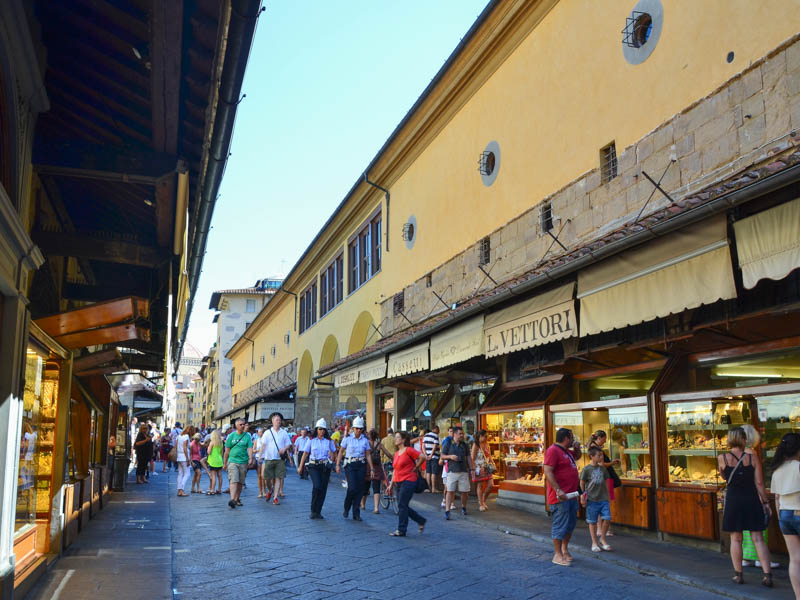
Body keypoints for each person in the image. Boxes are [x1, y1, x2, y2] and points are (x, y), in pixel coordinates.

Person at [718, 426, 772, 586]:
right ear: (744, 439)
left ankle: (738, 575)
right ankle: (767, 575)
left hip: (734, 500)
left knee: (736, 539)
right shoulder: (752, 457)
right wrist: (766, 502)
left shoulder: (722, 458)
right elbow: (760, 483)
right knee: (758, 538)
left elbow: (723, 476)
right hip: (751, 499)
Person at [543, 427, 582, 567]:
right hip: (560, 497)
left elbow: (577, 456)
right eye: (571, 437)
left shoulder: (566, 451)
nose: (573, 440)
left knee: (570, 524)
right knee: (560, 524)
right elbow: (547, 471)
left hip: (571, 495)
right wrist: (558, 490)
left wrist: (577, 448)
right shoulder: (553, 450)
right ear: (566, 438)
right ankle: (557, 554)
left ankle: (564, 549)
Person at [771, 432, 800, 598]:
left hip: (785, 515)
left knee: (795, 560)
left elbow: (777, 498)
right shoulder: (798, 466)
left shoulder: (777, 470)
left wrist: (780, 517)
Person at [386, 431, 427, 537]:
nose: (395, 439)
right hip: (399, 482)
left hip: (409, 480)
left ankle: (401, 529)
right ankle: (420, 520)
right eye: (395, 437)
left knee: (402, 505)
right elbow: (395, 470)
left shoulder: (409, 450)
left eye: (398, 437)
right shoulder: (396, 453)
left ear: (403, 440)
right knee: (402, 506)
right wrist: (390, 485)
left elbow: (422, 456)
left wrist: (416, 467)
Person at [336, 416, 374, 521]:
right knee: (352, 487)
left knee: (360, 489)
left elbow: (368, 455)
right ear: (353, 428)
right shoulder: (347, 438)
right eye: (356, 428)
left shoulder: (365, 440)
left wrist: (371, 468)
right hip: (350, 464)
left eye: (360, 428)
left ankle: (356, 512)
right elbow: (340, 451)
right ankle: (346, 507)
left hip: (361, 464)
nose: (358, 430)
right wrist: (338, 464)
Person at [297, 418, 337, 519]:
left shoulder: (329, 441)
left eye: (323, 429)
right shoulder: (311, 440)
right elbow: (305, 453)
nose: (321, 431)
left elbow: (334, 452)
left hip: (324, 466)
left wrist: (332, 459)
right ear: (316, 429)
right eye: (320, 429)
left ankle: (318, 511)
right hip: (313, 466)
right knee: (317, 486)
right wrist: (300, 466)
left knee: (323, 489)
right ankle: (313, 509)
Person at [588, 430, 621, 539]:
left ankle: (601, 529)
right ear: (599, 438)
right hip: (603, 478)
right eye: (604, 438)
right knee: (604, 503)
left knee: (601, 502)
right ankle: (603, 530)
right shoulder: (597, 449)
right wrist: (612, 463)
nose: (605, 441)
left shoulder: (594, 447)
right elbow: (601, 464)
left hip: (600, 478)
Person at [580, 446, 612, 552]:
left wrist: (608, 494)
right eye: (599, 455)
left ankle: (602, 539)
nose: (601, 457)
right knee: (592, 521)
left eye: (601, 455)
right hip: (592, 499)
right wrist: (583, 494)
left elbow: (608, 480)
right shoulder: (586, 469)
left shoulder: (603, 468)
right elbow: (582, 482)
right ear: (592, 456)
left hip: (603, 498)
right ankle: (594, 542)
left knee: (607, 518)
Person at [441, 426, 473, 520]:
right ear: (454, 434)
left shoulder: (465, 445)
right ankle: (447, 511)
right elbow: (442, 456)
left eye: (462, 434)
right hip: (452, 471)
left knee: (465, 492)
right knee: (450, 491)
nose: (461, 435)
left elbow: (468, 457)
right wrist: (450, 457)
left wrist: (472, 469)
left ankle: (463, 507)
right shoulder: (448, 443)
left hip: (463, 470)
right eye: (460, 434)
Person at [260, 412, 292, 505]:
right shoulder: (267, 432)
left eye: (279, 420)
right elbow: (263, 445)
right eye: (276, 420)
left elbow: (288, 444)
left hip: (279, 459)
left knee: (279, 477)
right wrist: (260, 456)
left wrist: (284, 449)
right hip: (269, 458)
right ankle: (270, 490)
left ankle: (275, 497)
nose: (278, 421)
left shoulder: (284, 432)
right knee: (267, 479)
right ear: (272, 421)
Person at [223, 419, 253, 509]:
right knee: (234, 480)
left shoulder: (247, 436)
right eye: (241, 424)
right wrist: (225, 463)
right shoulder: (231, 436)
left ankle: (237, 499)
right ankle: (232, 499)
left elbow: (250, 448)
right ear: (236, 426)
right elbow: (227, 451)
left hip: (243, 461)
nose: (243, 426)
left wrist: (250, 457)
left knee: (240, 482)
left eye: (244, 424)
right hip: (232, 461)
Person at [361, 429, 388, 514]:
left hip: (367, 466)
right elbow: (387, 453)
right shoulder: (379, 444)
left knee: (365, 486)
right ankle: (376, 508)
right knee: (376, 488)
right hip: (377, 467)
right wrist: (394, 458)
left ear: (369, 435)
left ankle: (363, 504)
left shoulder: (366, 443)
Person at [471, 429, 494, 511]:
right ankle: (481, 503)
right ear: (480, 436)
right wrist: (474, 469)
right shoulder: (476, 445)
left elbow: (489, 455)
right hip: (479, 467)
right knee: (480, 485)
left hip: (487, 466)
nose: (487, 438)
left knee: (491, 485)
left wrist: (493, 463)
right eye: (485, 436)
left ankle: (483, 499)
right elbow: (472, 458)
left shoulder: (487, 444)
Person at [439, 426, 455, 508]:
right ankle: (444, 500)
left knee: (452, 486)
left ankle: (451, 502)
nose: (452, 433)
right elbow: (442, 453)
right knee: (447, 486)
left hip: (453, 466)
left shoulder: (455, 441)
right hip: (446, 465)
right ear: (448, 432)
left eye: (453, 431)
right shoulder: (447, 441)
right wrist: (442, 459)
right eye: (451, 431)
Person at [175, 425, 192, 497]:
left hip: (179, 456)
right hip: (184, 457)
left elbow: (175, 446)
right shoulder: (186, 437)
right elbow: (185, 448)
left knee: (180, 473)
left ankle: (179, 490)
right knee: (187, 473)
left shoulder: (179, 436)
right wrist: (188, 459)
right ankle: (182, 490)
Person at [423, 426, 441, 493]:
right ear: (435, 429)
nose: (439, 431)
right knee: (433, 472)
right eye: (438, 429)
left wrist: (426, 454)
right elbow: (435, 446)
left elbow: (423, 446)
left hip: (427, 456)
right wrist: (431, 454)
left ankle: (429, 488)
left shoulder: (426, 435)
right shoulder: (435, 436)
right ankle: (434, 488)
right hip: (434, 456)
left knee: (428, 472)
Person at [205, 429, 223, 495]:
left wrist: (208, 448)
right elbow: (221, 453)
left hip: (213, 461)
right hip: (219, 460)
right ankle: (219, 489)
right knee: (220, 476)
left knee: (213, 476)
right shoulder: (221, 442)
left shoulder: (212, 442)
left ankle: (212, 490)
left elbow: (208, 452)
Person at [253, 426, 266, 498]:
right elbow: (253, 450)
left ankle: (264, 491)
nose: (260, 433)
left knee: (263, 475)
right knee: (259, 476)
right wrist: (258, 450)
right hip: (258, 459)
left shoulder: (265, 440)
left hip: (264, 458)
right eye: (259, 432)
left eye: (261, 432)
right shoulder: (256, 441)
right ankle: (260, 492)